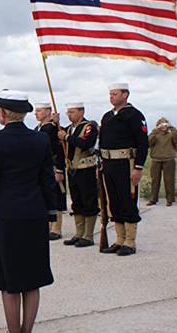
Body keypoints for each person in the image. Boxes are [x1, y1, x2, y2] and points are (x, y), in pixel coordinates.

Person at [0, 90, 57, 333]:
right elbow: (47, 180)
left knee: (8, 281)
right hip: (34, 214)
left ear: (2, 114)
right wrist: (51, 212)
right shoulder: (41, 140)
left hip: (4, 217)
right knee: (32, 280)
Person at [98, 83, 149, 256]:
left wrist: (138, 167)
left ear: (125, 94)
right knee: (114, 202)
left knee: (127, 199)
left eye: (115, 94)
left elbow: (143, 143)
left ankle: (130, 241)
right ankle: (119, 239)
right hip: (109, 163)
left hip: (126, 163)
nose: (111, 97)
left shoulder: (134, 115)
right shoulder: (107, 116)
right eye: (110, 94)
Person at [58, 103, 99, 248]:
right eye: (68, 112)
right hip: (73, 169)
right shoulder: (69, 128)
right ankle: (79, 233)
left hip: (85, 168)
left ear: (81, 112)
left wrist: (67, 138)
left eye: (72, 112)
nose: (69, 115)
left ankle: (88, 235)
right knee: (77, 201)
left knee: (88, 200)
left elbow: (87, 143)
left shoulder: (89, 126)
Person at [34, 102, 67, 240]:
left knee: (56, 196)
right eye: (36, 111)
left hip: (53, 166)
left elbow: (59, 150)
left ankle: (56, 228)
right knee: (44, 196)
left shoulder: (52, 128)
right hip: (40, 167)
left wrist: (59, 169)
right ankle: (46, 226)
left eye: (39, 111)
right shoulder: (38, 128)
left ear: (48, 112)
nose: (36, 113)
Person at [148, 117, 177, 206]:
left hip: (169, 159)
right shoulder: (155, 134)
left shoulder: (171, 134)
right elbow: (149, 142)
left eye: (165, 124)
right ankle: (153, 199)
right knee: (155, 180)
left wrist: (172, 128)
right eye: (161, 124)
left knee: (169, 180)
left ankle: (170, 200)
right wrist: (155, 130)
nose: (163, 126)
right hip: (156, 159)